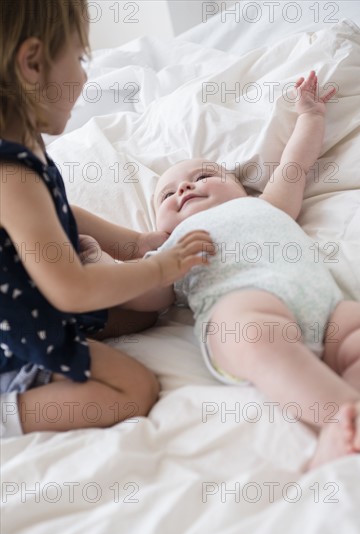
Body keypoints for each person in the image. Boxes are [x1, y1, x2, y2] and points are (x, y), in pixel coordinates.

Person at [126, 70, 360, 469]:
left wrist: (311, 118)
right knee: (254, 333)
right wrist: (106, 264)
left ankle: (359, 418)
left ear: (241, 189)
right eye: (168, 194)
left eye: (203, 176)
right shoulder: (169, 246)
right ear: (159, 225)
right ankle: (341, 417)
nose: (184, 189)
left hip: (325, 305)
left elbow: (295, 164)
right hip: (240, 308)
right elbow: (146, 295)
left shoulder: (267, 204)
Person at [0, 0, 214, 437]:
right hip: (16, 335)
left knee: (145, 313)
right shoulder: (11, 176)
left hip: (36, 299)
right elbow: (71, 290)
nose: (84, 76)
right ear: (32, 64)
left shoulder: (23, 141)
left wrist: (135, 243)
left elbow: (62, 215)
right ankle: (11, 410)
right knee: (134, 389)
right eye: (79, 58)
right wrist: (158, 266)